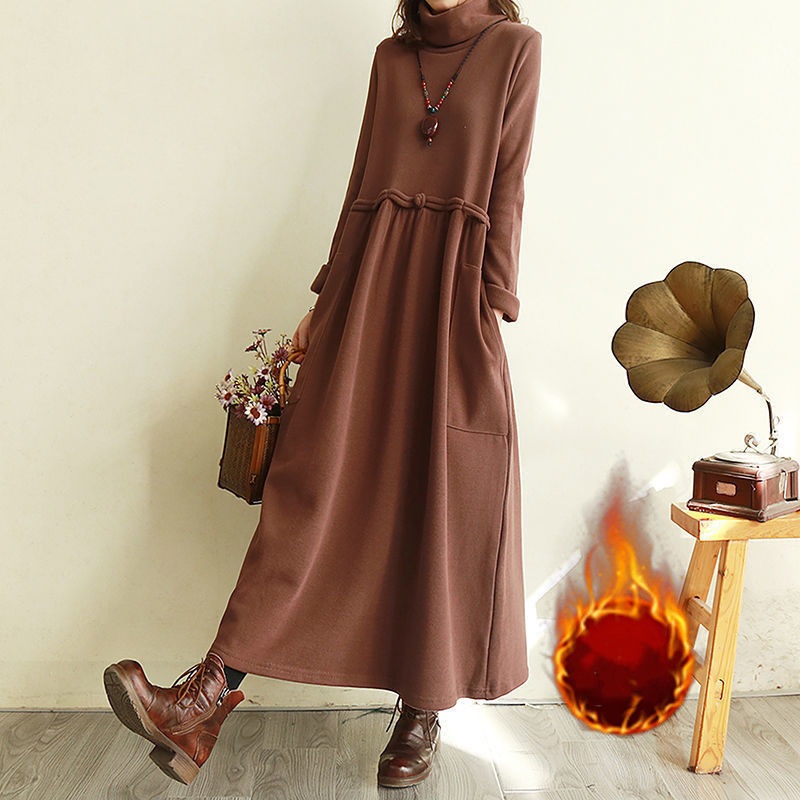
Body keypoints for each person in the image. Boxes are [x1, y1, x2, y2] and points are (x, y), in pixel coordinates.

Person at [103, 0, 542, 788]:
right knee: (307, 493)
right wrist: (326, 296)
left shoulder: (516, 49)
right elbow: (362, 185)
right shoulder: (391, 57)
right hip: (367, 292)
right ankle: (204, 699)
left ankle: (421, 711)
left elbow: (508, 182)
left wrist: (491, 303)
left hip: (452, 300)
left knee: (439, 501)